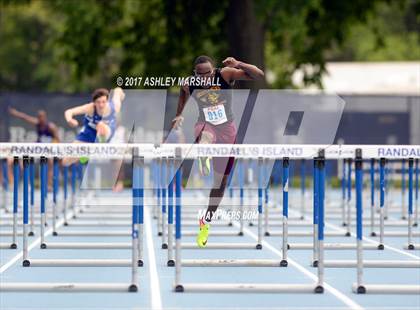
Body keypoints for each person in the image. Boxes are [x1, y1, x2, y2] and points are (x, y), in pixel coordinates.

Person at [172, 55, 264, 247]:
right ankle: (204, 154)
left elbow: (258, 75)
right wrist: (179, 115)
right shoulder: (190, 83)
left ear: (213, 71)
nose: (204, 78)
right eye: (200, 75)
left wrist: (238, 63)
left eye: (207, 74)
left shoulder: (225, 74)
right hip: (205, 126)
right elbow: (182, 93)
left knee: (220, 183)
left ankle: (205, 222)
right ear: (195, 73)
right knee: (205, 135)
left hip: (227, 130)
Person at [62, 87, 125, 166]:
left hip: (106, 132)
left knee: (101, 125)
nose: (101, 105)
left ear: (107, 101)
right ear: (94, 103)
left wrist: (120, 93)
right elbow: (69, 111)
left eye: (103, 102)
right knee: (65, 161)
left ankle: (99, 145)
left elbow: (118, 91)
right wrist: (69, 120)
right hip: (89, 133)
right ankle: (85, 154)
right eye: (98, 102)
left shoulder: (114, 107)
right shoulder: (90, 108)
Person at [9, 107, 60, 189]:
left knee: (50, 163)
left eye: (42, 117)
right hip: (38, 147)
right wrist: (16, 113)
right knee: (24, 158)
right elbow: (25, 117)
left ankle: (49, 185)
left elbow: (57, 139)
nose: (40, 119)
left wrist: (54, 149)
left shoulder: (51, 127)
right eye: (39, 117)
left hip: (49, 148)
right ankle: (26, 182)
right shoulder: (37, 123)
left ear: (45, 117)